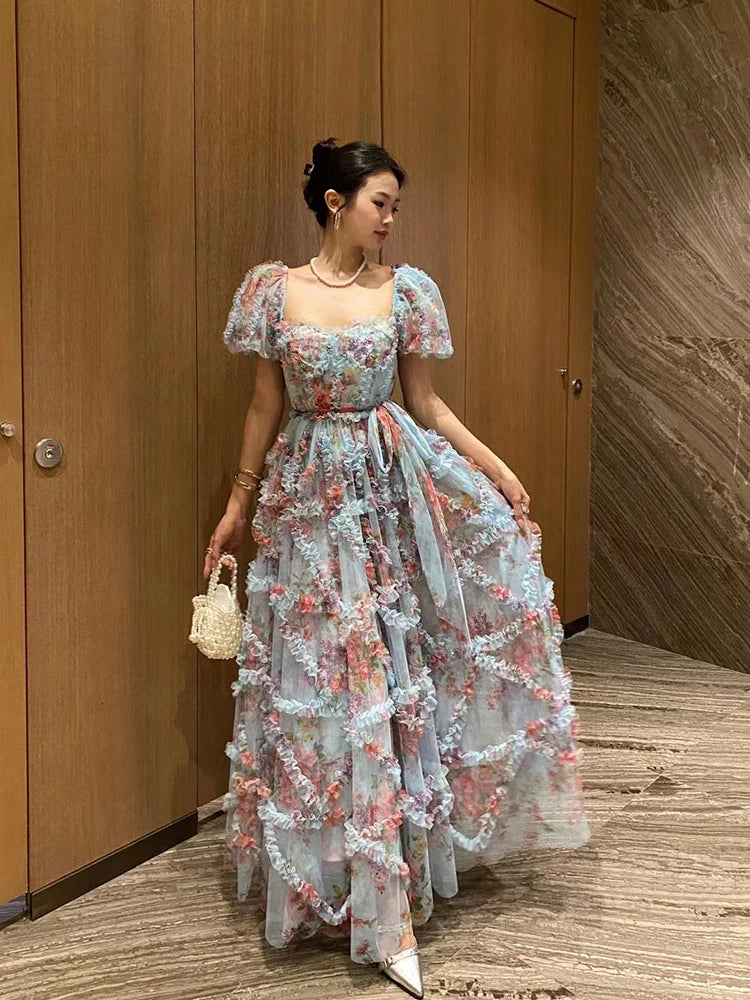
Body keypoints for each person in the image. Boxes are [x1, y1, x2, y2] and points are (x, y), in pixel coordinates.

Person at [205, 137, 590, 999]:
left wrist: (497, 470)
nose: (391, 218)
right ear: (335, 202)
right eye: (381, 202)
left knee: (387, 678)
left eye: (396, 205)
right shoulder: (275, 292)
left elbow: (427, 403)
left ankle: (392, 900)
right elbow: (265, 406)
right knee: (322, 691)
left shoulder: (404, 291)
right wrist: (236, 504)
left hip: (389, 495)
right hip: (308, 507)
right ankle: (335, 876)